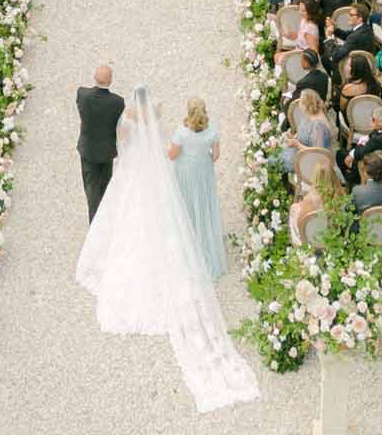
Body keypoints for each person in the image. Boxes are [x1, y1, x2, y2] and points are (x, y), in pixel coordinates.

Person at [75, 85, 259, 412]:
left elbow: (125, 143)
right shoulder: (158, 116)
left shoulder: (128, 117)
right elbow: (171, 148)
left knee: (127, 212)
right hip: (155, 170)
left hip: (133, 169)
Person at [167, 97, 228, 280]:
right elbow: (215, 156)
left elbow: (172, 155)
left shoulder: (181, 133)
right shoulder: (212, 132)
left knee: (187, 205)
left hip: (186, 173)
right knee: (203, 205)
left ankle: (188, 242)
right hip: (203, 174)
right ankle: (205, 241)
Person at [76, 62, 125, 223]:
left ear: (94, 77)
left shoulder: (82, 95)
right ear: (110, 81)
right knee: (105, 189)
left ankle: (94, 223)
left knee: (91, 190)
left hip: (88, 150)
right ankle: (104, 221)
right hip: (106, 152)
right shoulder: (117, 102)